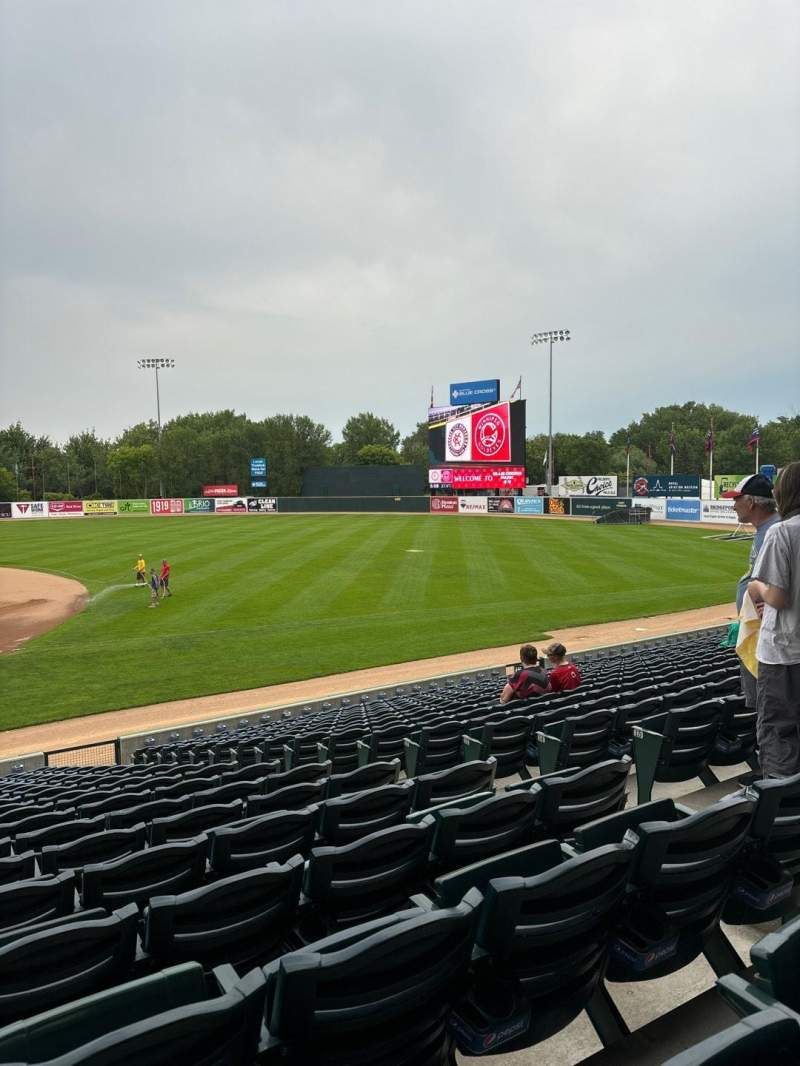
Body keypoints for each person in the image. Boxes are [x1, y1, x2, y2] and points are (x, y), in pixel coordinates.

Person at [747, 462, 800, 778]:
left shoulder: (783, 531)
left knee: (778, 735)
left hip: (783, 654)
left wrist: (755, 586)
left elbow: (778, 597)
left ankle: (781, 814)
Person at [721, 473, 780, 709]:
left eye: (737, 499)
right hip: (758, 632)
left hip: (766, 639)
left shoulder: (775, 532)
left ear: (751, 502)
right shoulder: (766, 529)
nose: (733, 505)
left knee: (766, 710)